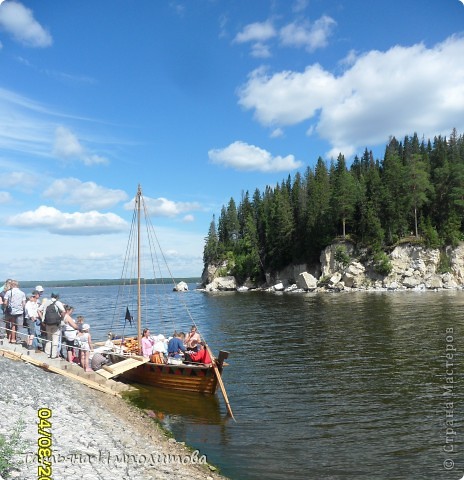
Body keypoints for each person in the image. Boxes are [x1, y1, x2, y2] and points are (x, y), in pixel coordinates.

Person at [40, 293, 65, 358]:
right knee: (55, 339)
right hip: (56, 324)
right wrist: (61, 319)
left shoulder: (46, 302)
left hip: (47, 323)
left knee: (49, 338)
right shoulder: (58, 302)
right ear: (57, 296)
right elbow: (63, 311)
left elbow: (39, 310)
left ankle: (47, 354)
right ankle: (53, 355)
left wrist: (42, 319)